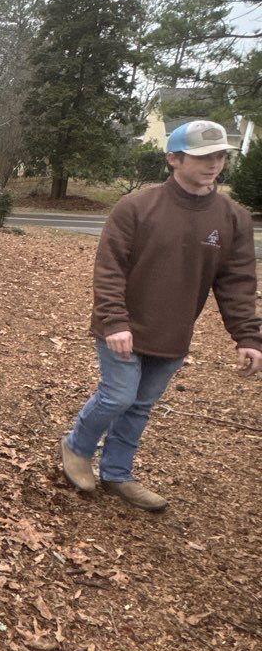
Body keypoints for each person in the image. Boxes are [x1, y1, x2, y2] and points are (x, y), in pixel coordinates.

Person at [61, 119, 262, 511]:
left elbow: (237, 282)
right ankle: (77, 446)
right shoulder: (137, 207)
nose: (214, 164)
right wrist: (115, 321)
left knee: (140, 405)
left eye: (220, 156)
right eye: (203, 156)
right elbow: (109, 268)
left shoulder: (232, 217)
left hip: (172, 332)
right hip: (122, 327)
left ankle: (118, 473)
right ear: (174, 158)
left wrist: (249, 337)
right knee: (118, 396)